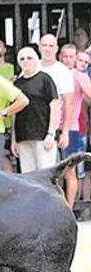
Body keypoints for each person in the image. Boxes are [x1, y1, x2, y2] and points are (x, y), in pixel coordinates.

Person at [11, 47, 59, 173]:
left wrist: (51, 134)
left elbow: (55, 107)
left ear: (36, 59)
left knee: (46, 176)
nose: (25, 61)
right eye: (22, 58)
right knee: (28, 177)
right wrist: (14, 140)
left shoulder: (45, 79)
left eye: (29, 58)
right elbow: (14, 113)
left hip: (43, 136)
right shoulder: (17, 84)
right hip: (23, 137)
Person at [59, 43, 91, 208]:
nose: (68, 59)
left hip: (71, 127)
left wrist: (78, 77)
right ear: (60, 56)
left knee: (69, 172)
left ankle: (69, 209)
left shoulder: (79, 75)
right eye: (65, 56)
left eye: (71, 56)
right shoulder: (56, 71)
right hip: (52, 127)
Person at [39, 34, 75, 151]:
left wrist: (65, 132)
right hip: (32, 128)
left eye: (51, 46)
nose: (47, 49)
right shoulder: (32, 66)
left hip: (53, 129)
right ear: (39, 47)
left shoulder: (63, 71)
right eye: (44, 45)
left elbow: (68, 103)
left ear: (56, 49)